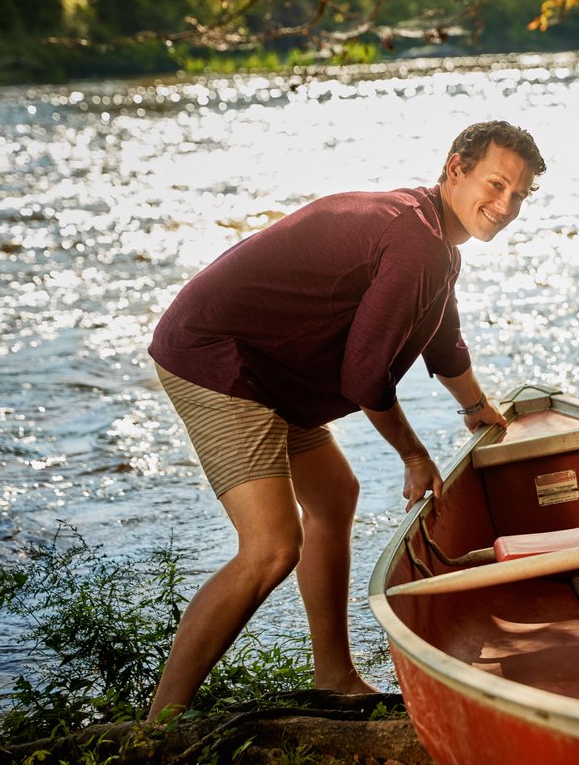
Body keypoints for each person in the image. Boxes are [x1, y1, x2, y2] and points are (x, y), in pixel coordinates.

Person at [145, 120, 546, 719]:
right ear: (454, 167)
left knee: (334, 495)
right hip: (218, 357)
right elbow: (364, 377)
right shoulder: (415, 244)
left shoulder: (435, 239)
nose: (505, 205)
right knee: (272, 547)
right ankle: (158, 728)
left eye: (520, 196)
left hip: (272, 367)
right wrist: (414, 455)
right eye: (496, 184)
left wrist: (475, 408)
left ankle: (333, 676)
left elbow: (442, 338)